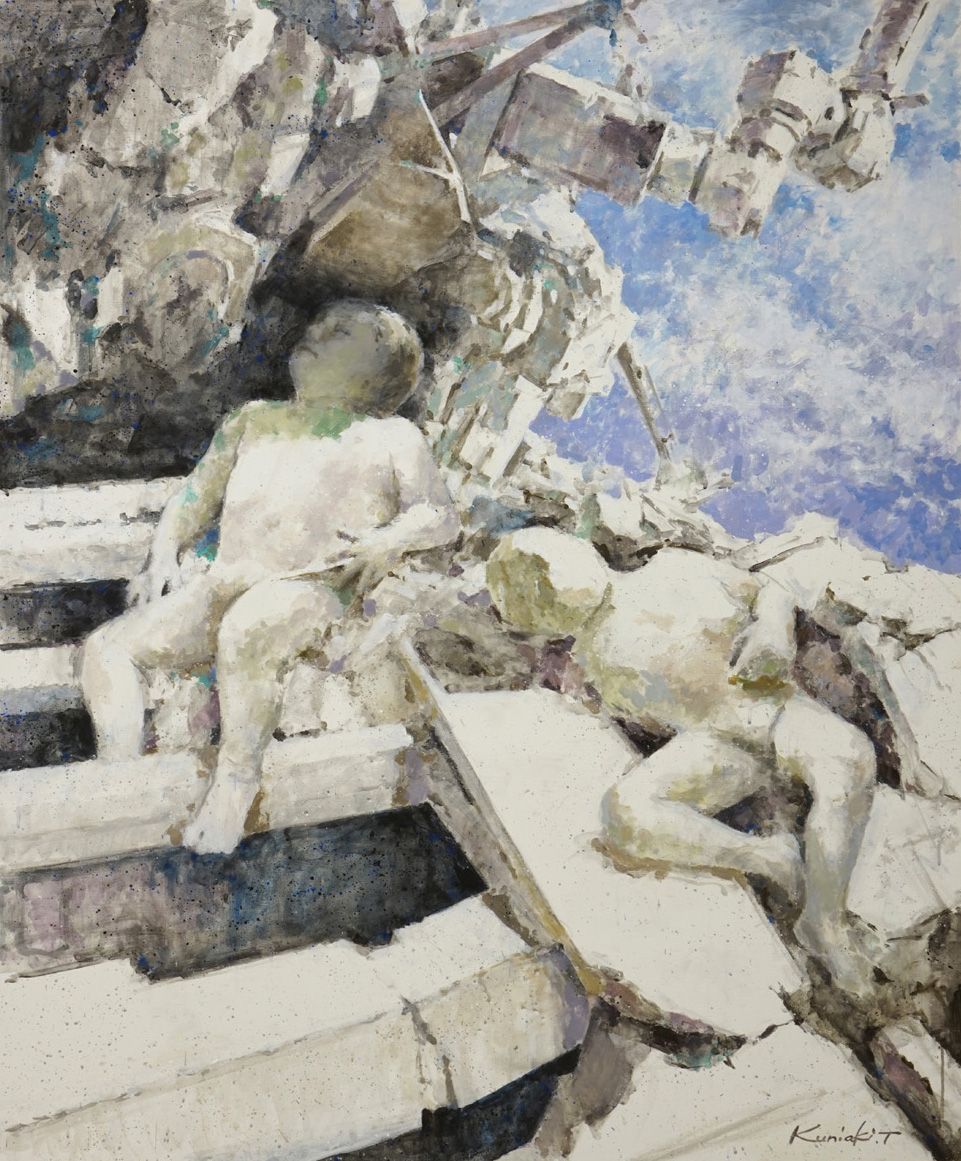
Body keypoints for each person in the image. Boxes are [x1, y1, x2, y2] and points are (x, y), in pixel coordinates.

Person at [81, 300, 460, 854]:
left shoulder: (393, 435)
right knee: (106, 649)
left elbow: (438, 515)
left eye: (340, 332)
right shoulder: (254, 419)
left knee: (248, 631)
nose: (316, 330)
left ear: (379, 372)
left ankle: (234, 785)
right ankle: (118, 772)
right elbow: (193, 498)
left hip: (312, 585)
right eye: (321, 323)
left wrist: (388, 538)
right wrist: (162, 553)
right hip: (226, 580)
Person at [486, 526, 880, 994]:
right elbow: (651, 717)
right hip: (716, 743)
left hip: (772, 708)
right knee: (625, 811)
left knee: (850, 759)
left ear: (579, 549)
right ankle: (770, 857)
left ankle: (824, 921)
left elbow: (768, 591)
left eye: (545, 571)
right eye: (531, 595)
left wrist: (772, 632)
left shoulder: (672, 568)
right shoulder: (590, 656)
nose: (547, 589)